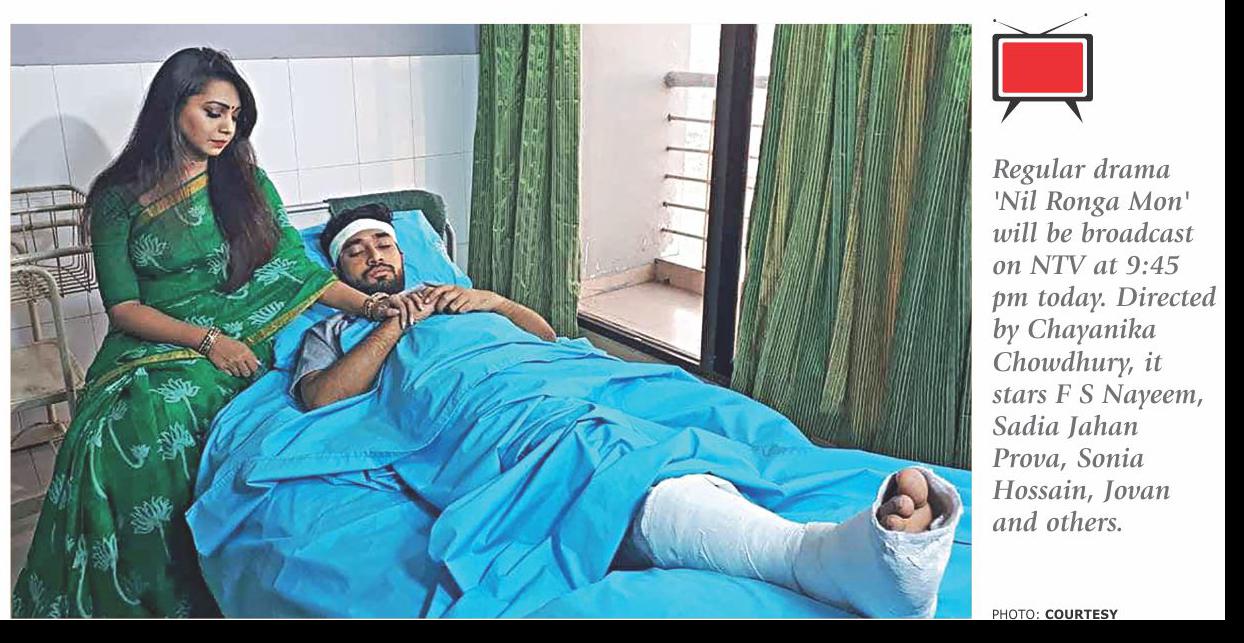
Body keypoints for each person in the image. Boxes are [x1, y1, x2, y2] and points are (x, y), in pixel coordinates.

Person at [288, 204, 962, 617]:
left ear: (402, 251)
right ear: (339, 269)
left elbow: (546, 336)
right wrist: (392, 325)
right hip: (477, 402)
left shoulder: (452, 293)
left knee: (705, 408)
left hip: (557, 372)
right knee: (586, 444)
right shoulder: (338, 329)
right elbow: (320, 397)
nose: (374, 256)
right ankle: (807, 556)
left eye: (383, 244)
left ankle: (785, 527)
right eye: (356, 251)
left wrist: (494, 302)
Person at [13, 47, 409, 619]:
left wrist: (372, 305)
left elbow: (295, 272)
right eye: (214, 112)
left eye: (235, 117)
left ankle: (192, 586)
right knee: (104, 434)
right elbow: (123, 307)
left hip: (243, 324)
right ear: (173, 108)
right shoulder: (117, 198)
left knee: (172, 415)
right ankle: (137, 596)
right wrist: (206, 342)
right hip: (155, 336)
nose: (227, 128)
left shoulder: (245, 182)